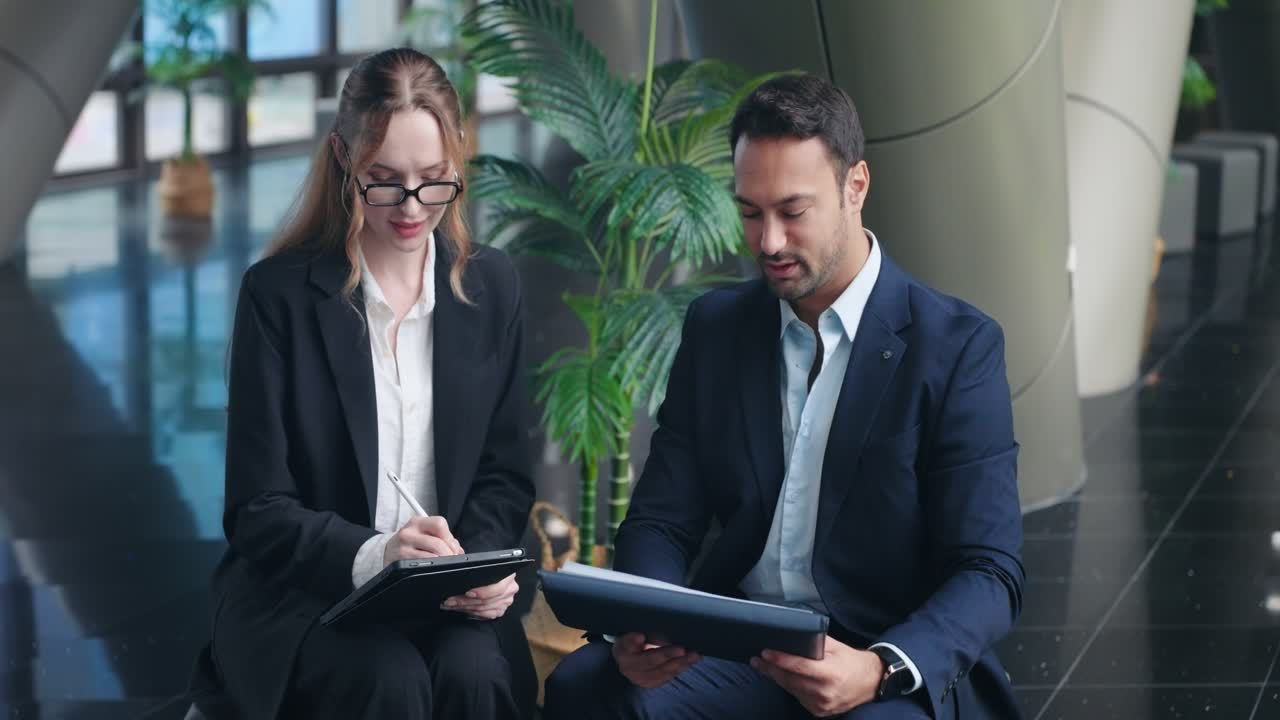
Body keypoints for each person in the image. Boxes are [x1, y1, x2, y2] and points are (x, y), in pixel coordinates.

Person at [543, 74, 1025, 719]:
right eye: (749, 212)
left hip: (878, 653)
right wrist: (647, 626)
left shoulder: (956, 346)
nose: (767, 241)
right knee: (589, 685)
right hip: (739, 647)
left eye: (792, 212)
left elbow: (989, 570)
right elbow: (662, 520)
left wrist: (880, 667)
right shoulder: (717, 329)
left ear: (856, 187)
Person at [187, 48, 536, 719]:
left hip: (444, 590)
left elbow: (505, 474)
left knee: (474, 672)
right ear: (343, 156)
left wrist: (485, 566)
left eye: (434, 180)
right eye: (385, 180)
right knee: (386, 679)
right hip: (305, 589)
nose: (411, 207)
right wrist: (378, 554)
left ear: (457, 164)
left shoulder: (491, 287)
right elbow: (257, 508)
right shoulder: (279, 296)